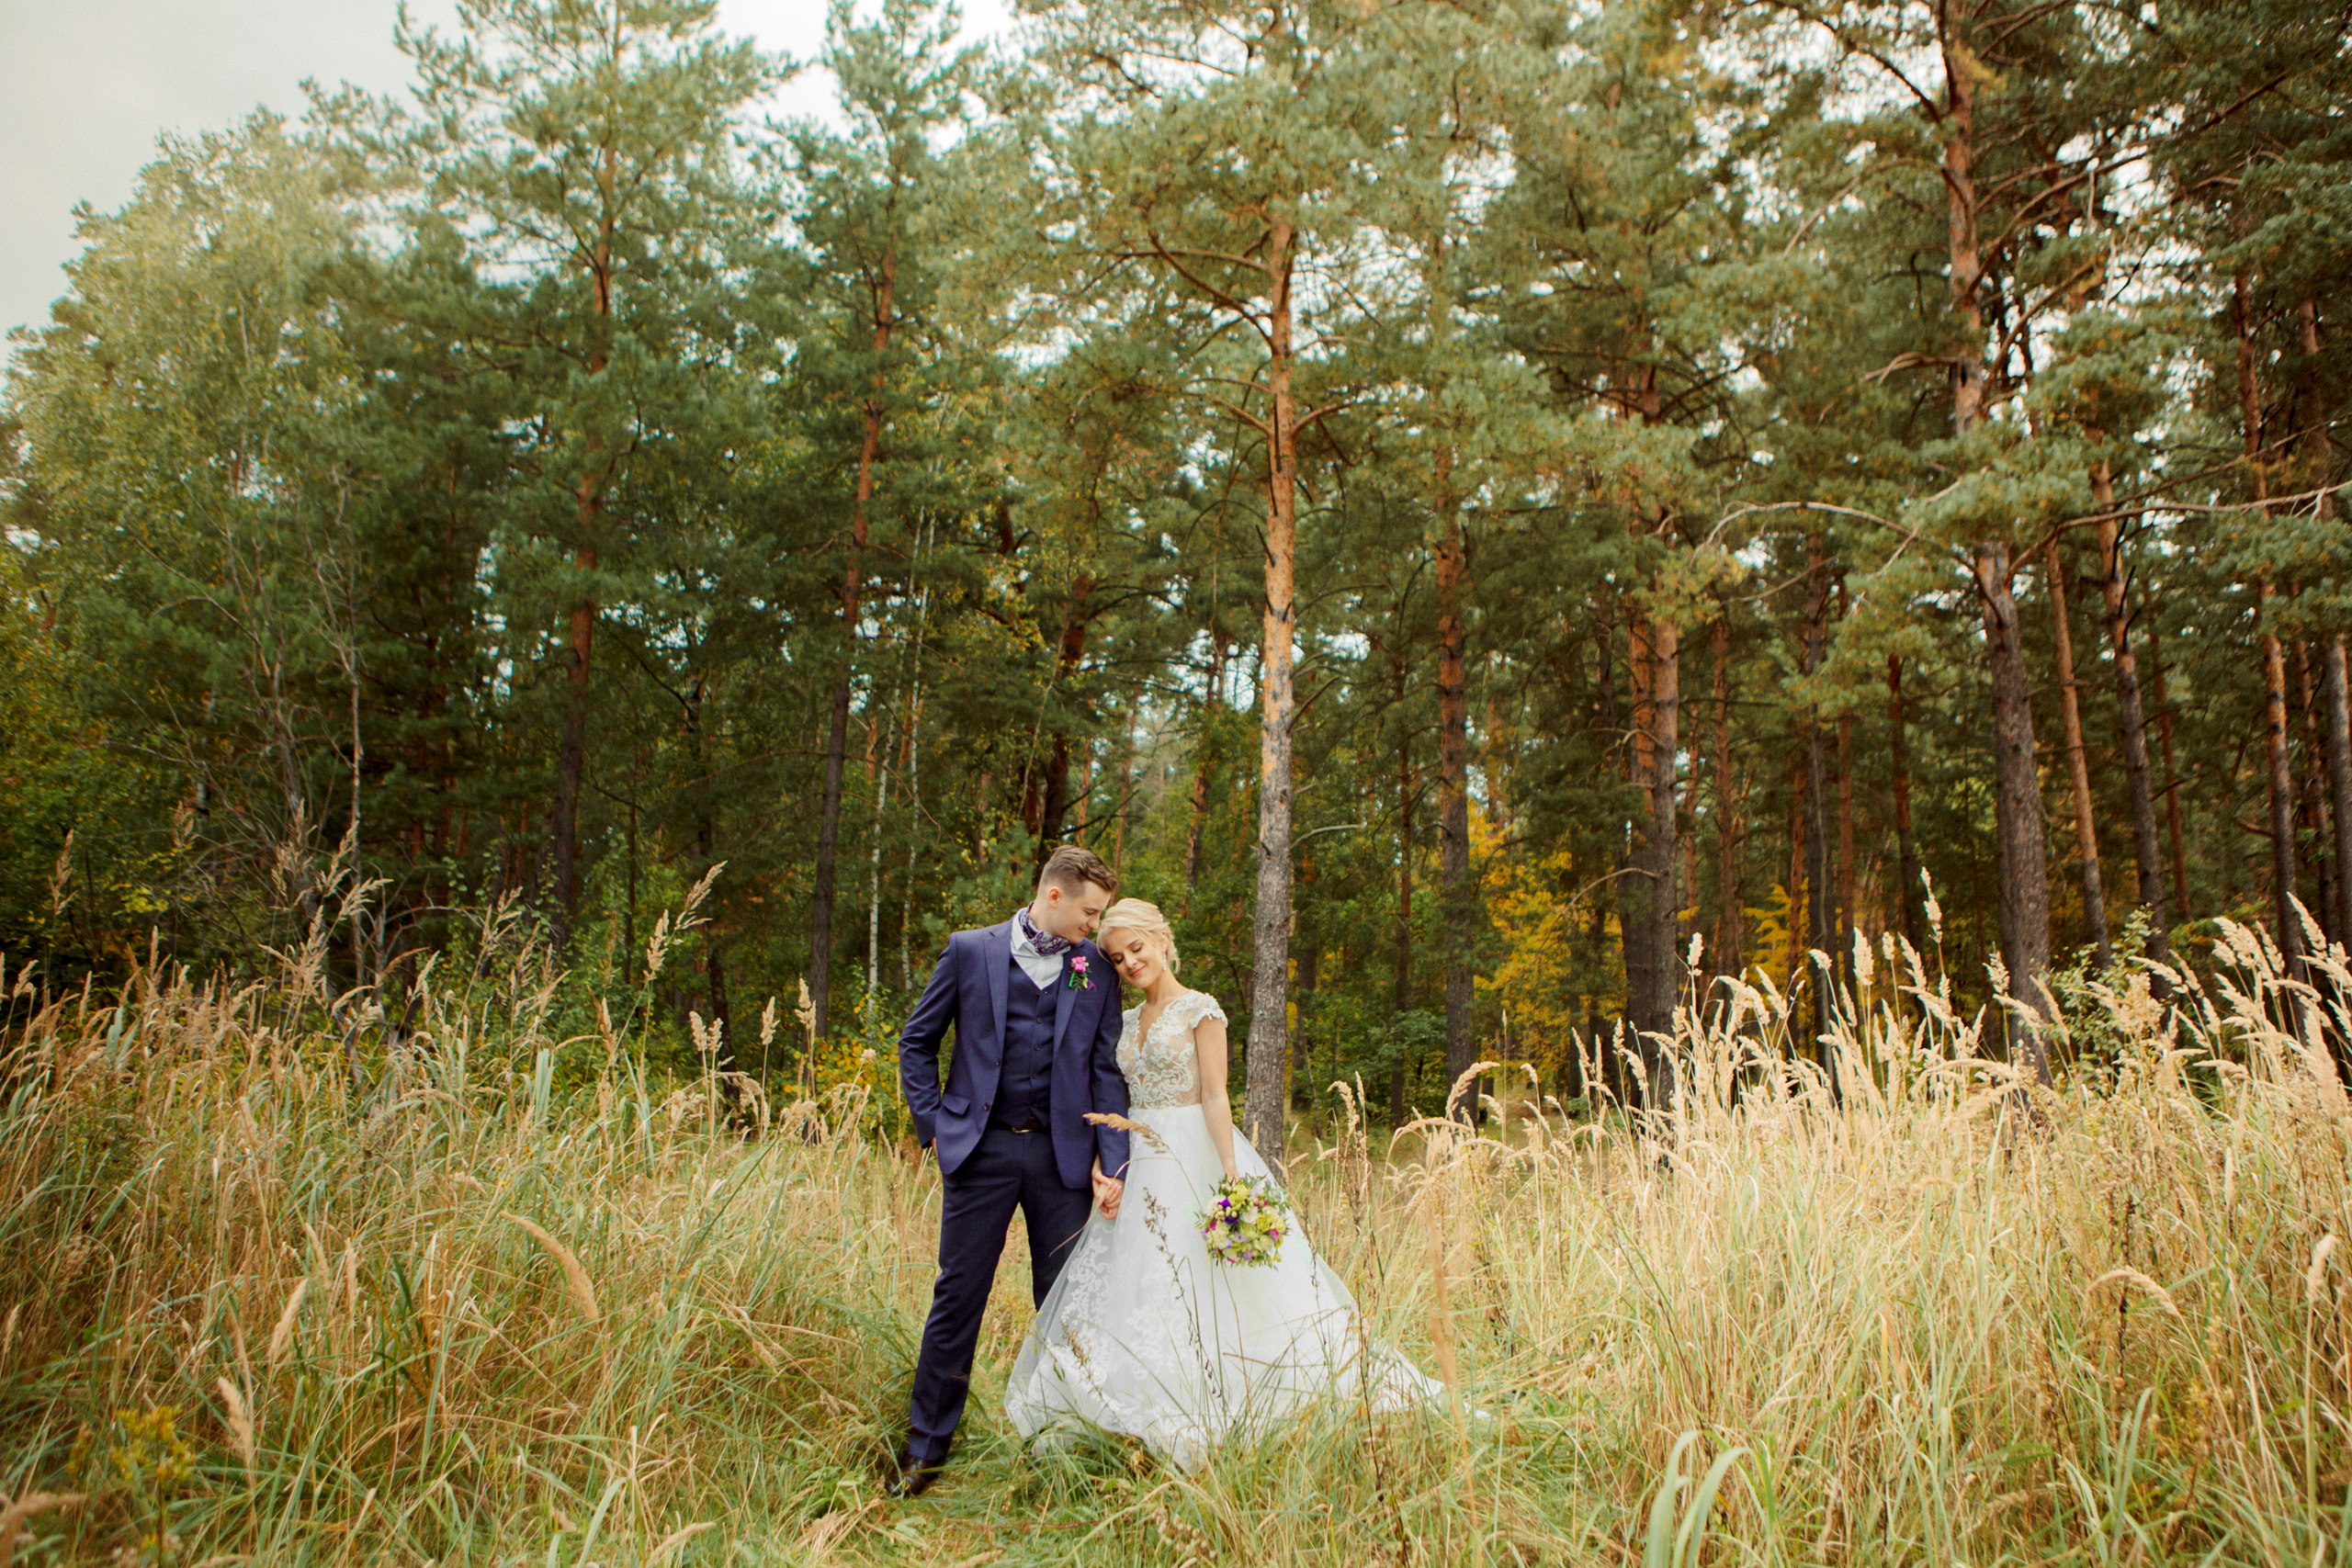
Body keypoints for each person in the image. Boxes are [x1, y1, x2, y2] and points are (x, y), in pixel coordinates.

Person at [1003, 897, 1443, 1470]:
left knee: (1209, 1286)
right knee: (1137, 1284)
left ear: (1162, 939)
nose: (1129, 963)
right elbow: (1111, 1096)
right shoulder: (1125, 1020)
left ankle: (1225, 1404)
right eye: (1115, 957)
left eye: (1137, 948)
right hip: (1135, 1161)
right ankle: (1135, 1411)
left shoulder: (1200, 1011)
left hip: (1193, 1155)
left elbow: (1215, 1096)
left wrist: (1230, 1175)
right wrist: (1104, 1163)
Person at [889, 846, 1132, 1497]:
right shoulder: (971, 950)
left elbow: (1105, 1069)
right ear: (1054, 895)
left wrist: (1115, 1162)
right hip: (981, 1153)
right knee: (956, 1299)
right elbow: (917, 1041)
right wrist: (935, 1126)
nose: (1095, 924)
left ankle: (1063, 1448)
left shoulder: (1094, 970)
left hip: (1064, 1163)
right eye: (1089, 910)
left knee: (1065, 1308)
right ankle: (924, 1450)